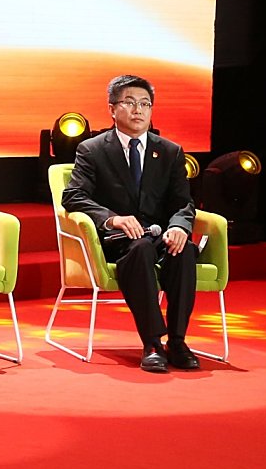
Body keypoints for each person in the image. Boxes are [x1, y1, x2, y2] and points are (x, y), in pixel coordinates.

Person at [61, 75, 201, 373]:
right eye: (129, 102)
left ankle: (177, 341)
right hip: (119, 241)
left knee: (184, 250)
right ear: (112, 109)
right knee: (140, 250)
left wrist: (179, 226)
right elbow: (73, 196)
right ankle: (152, 342)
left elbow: (183, 202)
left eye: (145, 104)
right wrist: (112, 219)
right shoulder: (93, 150)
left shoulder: (170, 151)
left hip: (159, 235)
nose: (138, 110)